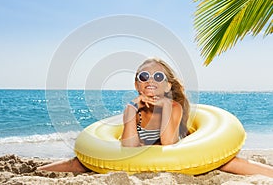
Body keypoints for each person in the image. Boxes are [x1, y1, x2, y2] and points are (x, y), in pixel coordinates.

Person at [38, 58, 273, 178]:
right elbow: (128, 146)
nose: (151, 79)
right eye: (144, 76)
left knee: (230, 162)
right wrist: (131, 113)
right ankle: (37, 170)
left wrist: (164, 110)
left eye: (158, 76)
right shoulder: (132, 109)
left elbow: (169, 144)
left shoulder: (174, 107)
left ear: (167, 85)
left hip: (182, 158)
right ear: (136, 83)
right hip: (138, 159)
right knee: (78, 163)